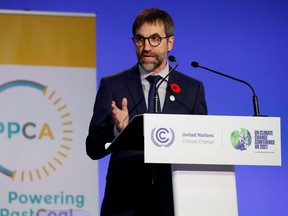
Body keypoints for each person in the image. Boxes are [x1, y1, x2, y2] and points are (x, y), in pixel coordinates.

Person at [86, 7, 208, 216]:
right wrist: (118, 133)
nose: (146, 47)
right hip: (125, 203)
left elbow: (203, 145)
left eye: (154, 39)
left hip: (175, 201)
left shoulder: (192, 89)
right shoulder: (113, 85)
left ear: (170, 42)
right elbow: (93, 147)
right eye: (140, 40)